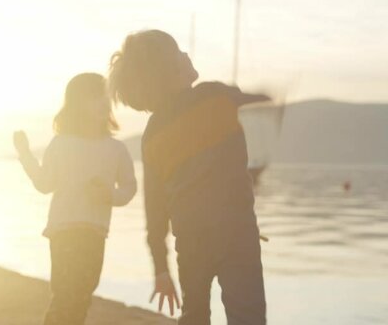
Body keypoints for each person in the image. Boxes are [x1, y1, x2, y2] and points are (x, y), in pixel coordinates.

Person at [108, 30, 269, 324]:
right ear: (171, 70)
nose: (186, 55)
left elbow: (155, 211)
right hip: (236, 232)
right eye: (179, 52)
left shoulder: (152, 135)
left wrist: (160, 269)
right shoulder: (214, 95)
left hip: (191, 241)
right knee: (248, 316)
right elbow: (263, 103)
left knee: (194, 314)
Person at [13, 72, 137, 325]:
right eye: (94, 97)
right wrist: (25, 154)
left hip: (95, 233)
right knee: (65, 296)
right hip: (64, 232)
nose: (103, 102)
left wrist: (109, 195)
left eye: (106, 96)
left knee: (82, 296)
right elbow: (44, 184)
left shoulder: (116, 149)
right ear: (77, 104)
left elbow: (129, 187)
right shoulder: (62, 143)